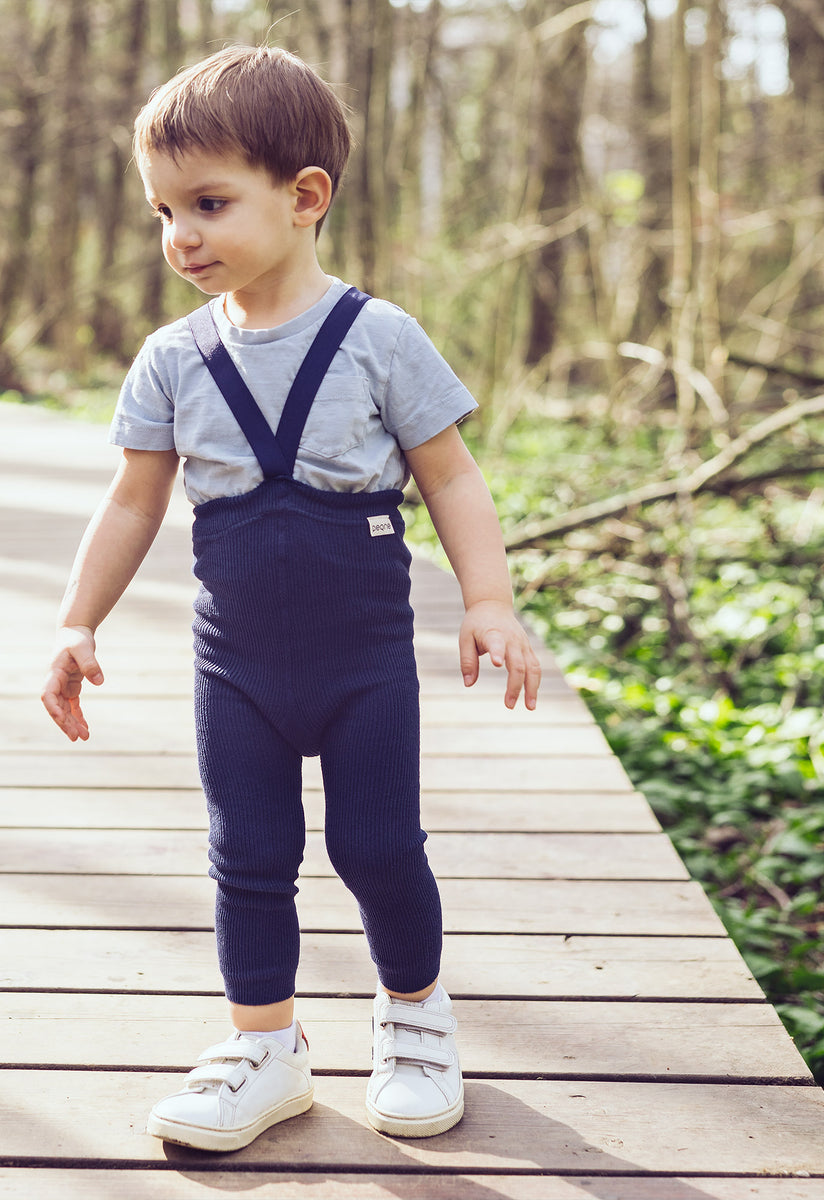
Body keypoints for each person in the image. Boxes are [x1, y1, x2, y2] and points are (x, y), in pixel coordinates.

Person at [41, 43, 541, 1153]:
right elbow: (131, 503)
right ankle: (264, 1047)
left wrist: (490, 600)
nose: (182, 236)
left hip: (363, 661)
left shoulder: (379, 340)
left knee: (378, 847)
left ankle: (415, 1019)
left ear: (305, 196)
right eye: (164, 211)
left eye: (208, 203)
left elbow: (453, 474)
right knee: (247, 854)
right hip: (238, 665)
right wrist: (78, 620)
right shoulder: (172, 362)